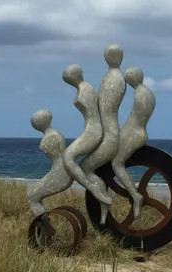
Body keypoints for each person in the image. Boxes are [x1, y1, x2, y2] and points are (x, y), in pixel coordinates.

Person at [80, 44, 127, 224]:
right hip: (109, 133)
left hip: (109, 136)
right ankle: (103, 207)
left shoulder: (113, 79)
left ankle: (104, 202)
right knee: (88, 168)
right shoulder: (114, 77)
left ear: (106, 57)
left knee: (85, 168)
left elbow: (105, 111)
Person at [62, 64, 113, 209]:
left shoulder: (85, 90)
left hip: (93, 131)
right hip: (92, 129)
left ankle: (93, 189)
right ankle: (100, 196)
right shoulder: (86, 88)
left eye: (68, 79)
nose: (69, 82)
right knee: (84, 167)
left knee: (68, 158)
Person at [111, 67, 156, 219]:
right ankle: (134, 191)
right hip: (142, 132)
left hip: (133, 134)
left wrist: (119, 134)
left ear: (131, 80)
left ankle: (135, 195)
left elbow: (133, 119)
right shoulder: (149, 93)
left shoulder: (139, 94)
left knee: (116, 163)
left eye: (127, 79)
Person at [26, 109, 73, 243]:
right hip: (62, 170)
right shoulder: (57, 134)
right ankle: (45, 227)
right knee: (34, 196)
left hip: (59, 173)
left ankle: (47, 228)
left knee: (32, 197)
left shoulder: (49, 137)